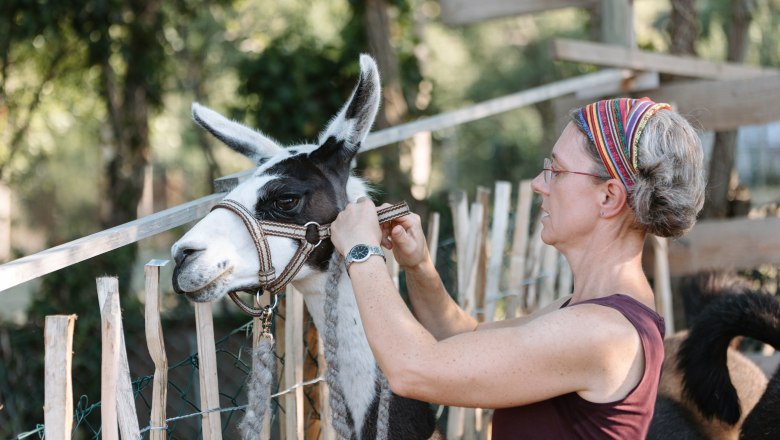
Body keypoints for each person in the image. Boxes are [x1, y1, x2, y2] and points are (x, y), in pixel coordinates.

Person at [330, 97, 706, 439]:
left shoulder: (602, 332)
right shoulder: (589, 312)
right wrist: (419, 266)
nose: (538, 183)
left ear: (608, 197)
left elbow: (413, 369)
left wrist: (362, 252)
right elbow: (462, 337)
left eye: (556, 171)